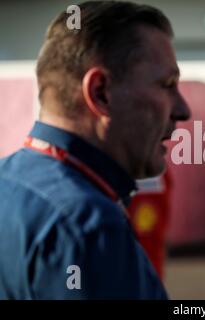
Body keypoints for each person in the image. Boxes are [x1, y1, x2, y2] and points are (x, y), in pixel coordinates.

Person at [0, 1, 190, 299]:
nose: (183, 109)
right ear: (100, 92)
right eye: (167, 84)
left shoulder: (8, 182)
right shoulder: (89, 226)